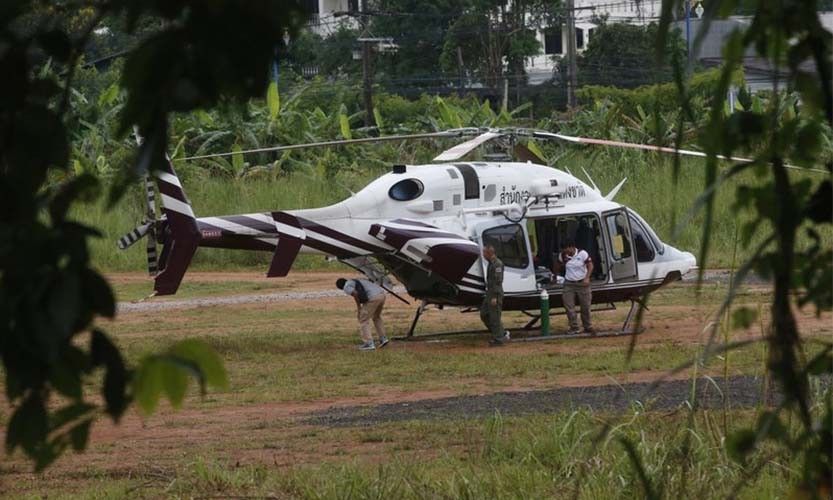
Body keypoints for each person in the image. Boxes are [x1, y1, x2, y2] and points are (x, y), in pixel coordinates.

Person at [336, 277, 389, 351]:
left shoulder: (346, 286)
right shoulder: (358, 280)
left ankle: (369, 343)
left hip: (373, 298)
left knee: (363, 320)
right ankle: (383, 338)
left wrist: (359, 308)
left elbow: (355, 293)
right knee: (376, 317)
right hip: (381, 295)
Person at [558, 239, 596, 335]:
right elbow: (558, 265)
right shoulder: (562, 256)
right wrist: (556, 275)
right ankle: (574, 327)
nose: (565, 251)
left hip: (582, 283)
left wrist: (587, 278)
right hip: (569, 283)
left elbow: (590, 265)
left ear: (571, 247)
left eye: (566, 249)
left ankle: (588, 326)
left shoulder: (582, 254)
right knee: (569, 306)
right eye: (563, 250)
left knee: (585, 306)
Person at [480, 245, 509, 346]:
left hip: (495, 293)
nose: (483, 255)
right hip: (489, 293)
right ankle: (501, 333)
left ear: (489, 253)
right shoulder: (490, 263)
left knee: (495, 317)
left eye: (484, 253)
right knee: (484, 314)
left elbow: (498, 281)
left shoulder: (497, 264)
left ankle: (499, 338)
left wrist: (494, 297)